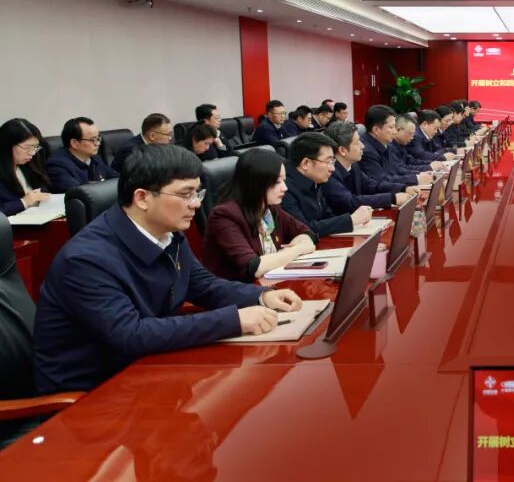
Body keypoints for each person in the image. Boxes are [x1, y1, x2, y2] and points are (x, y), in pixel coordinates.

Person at [33, 145, 302, 393]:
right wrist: (234, 320)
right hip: (92, 394)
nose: (196, 204)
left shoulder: (168, 233)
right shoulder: (85, 260)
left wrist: (260, 296)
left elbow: (202, 285)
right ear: (142, 198)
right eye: (185, 194)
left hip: (147, 368)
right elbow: (130, 334)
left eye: (197, 193)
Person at [202, 149, 317, 282]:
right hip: (238, 290)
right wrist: (298, 249)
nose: (285, 188)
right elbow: (253, 267)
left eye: (283, 181)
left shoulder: (269, 208)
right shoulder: (224, 216)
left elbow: (307, 232)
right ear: (256, 182)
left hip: (269, 284)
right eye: (277, 182)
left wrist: (304, 240)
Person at [281, 132, 373, 237]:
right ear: (306, 163)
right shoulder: (284, 188)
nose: (333, 169)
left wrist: (355, 220)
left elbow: (327, 217)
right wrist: (351, 220)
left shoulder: (314, 180)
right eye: (328, 161)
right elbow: (303, 229)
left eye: (332, 162)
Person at [323, 121, 414, 213]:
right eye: (357, 143)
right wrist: (392, 198)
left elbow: (371, 185)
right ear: (342, 150)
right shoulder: (329, 173)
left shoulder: (353, 165)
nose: (363, 146)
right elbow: (350, 202)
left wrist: (403, 188)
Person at [360, 105, 433, 187]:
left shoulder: (385, 144)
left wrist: (420, 174)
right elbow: (382, 181)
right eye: (391, 127)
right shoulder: (366, 152)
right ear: (376, 130)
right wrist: (416, 179)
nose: (395, 132)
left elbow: (398, 169)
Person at [45, 116, 119, 193]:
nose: (98, 143)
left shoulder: (94, 158)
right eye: (92, 140)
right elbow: (79, 192)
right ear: (74, 143)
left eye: (98, 138)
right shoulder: (56, 165)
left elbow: (117, 179)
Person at [0, 118, 51, 215]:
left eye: (35, 147)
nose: (32, 153)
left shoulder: (29, 164)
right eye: (27, 148)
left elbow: (43, 190)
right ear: (7, 145)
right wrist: (23, 202)